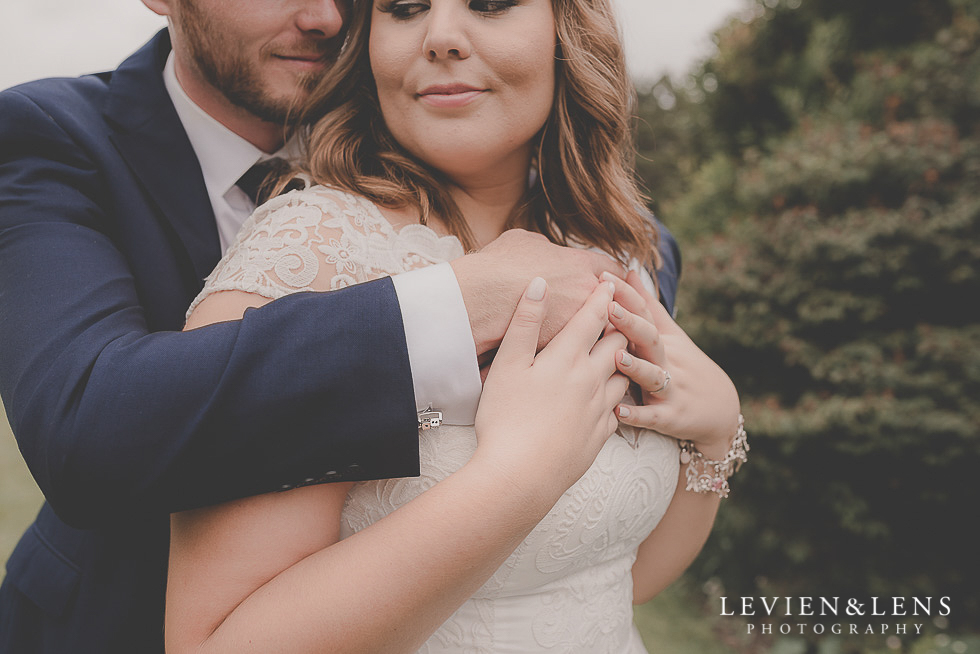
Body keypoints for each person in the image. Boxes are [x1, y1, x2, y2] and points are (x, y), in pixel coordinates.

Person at [0, 1, 689, 652]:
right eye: (406, 5)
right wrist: (462, 302)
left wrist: (712, 415)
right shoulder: (51, 139)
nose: (327, 17)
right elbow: (86, 424)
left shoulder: (595, 238)